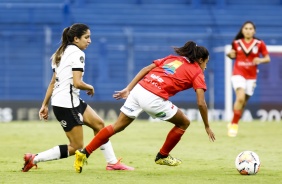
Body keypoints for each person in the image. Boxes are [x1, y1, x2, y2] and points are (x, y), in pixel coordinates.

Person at [73, 41, 216, 173]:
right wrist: (207, 126)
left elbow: (147, 69)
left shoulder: (173, 58)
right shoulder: (197, 71)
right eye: (206, 63)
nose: (205, 67)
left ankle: (84, 153)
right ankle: (162, 156)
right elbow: (201, 103)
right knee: (184, 122)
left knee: (117, 126)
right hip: (153, 98)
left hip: (139, 90)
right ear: (201, 60)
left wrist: (128, 88)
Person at [21, 23, 134, 172]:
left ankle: (112, 163)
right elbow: (77, 82)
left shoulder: (60, 53)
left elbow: (53, 82)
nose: (89, 41)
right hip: (67, 104)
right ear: (76, 39)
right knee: (76, 147)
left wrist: (45, 104)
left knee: (99, 125)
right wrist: (90, 87)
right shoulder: (77, 54)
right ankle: (34, 158)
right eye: (86, 37)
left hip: (69, 100)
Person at [226, 21, 270, 137]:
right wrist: (230, 54)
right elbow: (231, 54)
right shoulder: (236, 43)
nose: (248, 30)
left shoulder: (259, 43)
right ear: (242, 30)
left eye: (251, 28)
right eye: (246, 28)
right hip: (238, 73)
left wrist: (260, 60)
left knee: (243, 103)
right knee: (240, 98)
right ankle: (234, 126)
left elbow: (267, 58)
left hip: (251, 76)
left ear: (254, 31)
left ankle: (232, 121)